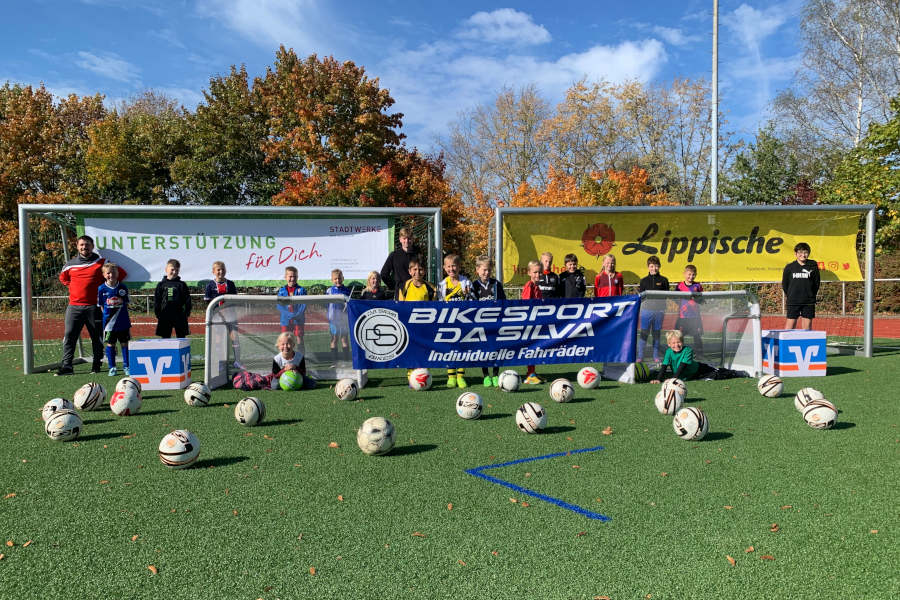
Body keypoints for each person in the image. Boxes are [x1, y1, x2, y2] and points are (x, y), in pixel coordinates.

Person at [57, 235, 126, 376]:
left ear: (92, 246)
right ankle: (67, 366)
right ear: (77, 246)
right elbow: (63, 278)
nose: (84, 247)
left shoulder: (102, 262)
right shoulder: (70, 264)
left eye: (87, 244)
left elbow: (121, 274)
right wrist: (74, 287)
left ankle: (96, 364)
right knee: (69, 335)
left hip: (94, 307)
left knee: (96, 337)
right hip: (74, 306)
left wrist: (107, 288)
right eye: (81, 244)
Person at [649, 329, 748, 383]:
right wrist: (658, 379)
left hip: (699, 370)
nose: (676, 345)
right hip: (687, 377)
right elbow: (664, 366)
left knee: (717, 374)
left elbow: (682, 367)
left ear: (682, 342)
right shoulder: (668, 352)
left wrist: (673, 379)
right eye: (673, 343)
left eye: (679, 342)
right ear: (669, 344)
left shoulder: (688, 350)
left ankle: (736, 373)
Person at [437, 254, 473, 388]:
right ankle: (451, 376)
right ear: (444, 268)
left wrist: (468, 295)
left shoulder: (466, 282)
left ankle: (460, 376)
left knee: (462, 348)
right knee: (449, 349)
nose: (451, 269)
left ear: (459, 267)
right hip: (449, 322)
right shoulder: (442, 284)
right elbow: (440, 304)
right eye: (448, 266)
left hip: (463, 321)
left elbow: (472, 302)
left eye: (454, 266)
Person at [471, 255, 506, 387]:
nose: (487, 273)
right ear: (477, 270)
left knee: (496, 349)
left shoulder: (496, 284)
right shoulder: (473, 285)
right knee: (483, 351)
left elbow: (504, 303)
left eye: (489, 270)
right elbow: (472, 305)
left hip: (496, 323)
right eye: (484, 270)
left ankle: (496, 375)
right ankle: (486, 376)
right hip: (481, 324)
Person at [398, 257, 435, 379]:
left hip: (425, 326)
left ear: (424, 271)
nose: (417, 272)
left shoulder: (430, 287)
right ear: (409, 271)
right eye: (414, 269)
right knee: (411, 350)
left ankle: (424, 373)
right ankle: (411, 374)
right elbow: (400, 306)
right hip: (409, 325)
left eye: (420, 269)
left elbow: (434, 308)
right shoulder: (404, 286)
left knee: (424, 350)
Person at [204, 261, 242, 370]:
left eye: (223, 269)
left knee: (235, 338)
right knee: (218, 340)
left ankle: (237, 361)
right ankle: (221, 362)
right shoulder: (210, 285)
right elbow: (208, 302)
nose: (221, 272)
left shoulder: (230, 284)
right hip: (218, 317)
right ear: (213, 271)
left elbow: (235, 299)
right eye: (218, 270)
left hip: (231, 316)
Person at [97, 262, 131, 377]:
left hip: (123, 322)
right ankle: (112, 367)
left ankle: (127, 366)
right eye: (108, 273)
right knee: (110, 344)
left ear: (117, 274)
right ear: (104, 275)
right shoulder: (101, 289)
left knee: (125, 344)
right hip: (109, 325)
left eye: (113, 272)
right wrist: (108, 317)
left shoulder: (122, 287)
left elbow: (126, 304)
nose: (111, 275)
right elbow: (101, 306)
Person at [637, 256, 669, 364]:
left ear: (659, 266)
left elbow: (667, 295)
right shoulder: (643, 281)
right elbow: (641, 297)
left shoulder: (664, 280)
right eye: (651, 266)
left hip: (659, 311)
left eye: (656, 266)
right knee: (644, 333)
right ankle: (641, 356)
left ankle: (656, 356)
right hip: (646, 311)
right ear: (648, 267)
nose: (654, 269)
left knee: (656, 334)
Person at [782, 242, 820, 330]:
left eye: (805, 252)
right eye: (800, 252)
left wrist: (811, 295)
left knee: (807, 328)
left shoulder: (813, 265)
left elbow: (816, 283)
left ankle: (806, 343)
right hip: (793, 301)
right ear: (795, 254)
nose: (803, 255)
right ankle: (788, 343)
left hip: (808, 301)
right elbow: (785, 284)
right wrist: (791, 295)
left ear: (808, 254)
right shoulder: (789, 267)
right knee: (789, 327)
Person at [154, 259, 191, 339]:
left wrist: (186, 313)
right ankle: (166, 352)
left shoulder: (182, 285)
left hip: (179, 316)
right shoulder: (161, 285)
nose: (174, 272)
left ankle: (182, 352)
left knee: (181, 338)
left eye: (177, 270)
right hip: (165, 316)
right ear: (166, 269)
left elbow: (187, 300)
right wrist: (158, 313)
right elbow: (157, 300)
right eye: (172, 269)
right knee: (165, 338)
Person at [380, 227, 419, 299]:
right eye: (404, 238)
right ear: (400, 239)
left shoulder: (418, 255)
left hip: (416, 291)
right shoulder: (394, 255)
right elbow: (384, 274)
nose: (407, 241)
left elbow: (422, 273)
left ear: (413, 239)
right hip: (400, 293)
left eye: (409, 238)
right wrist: (395, 286)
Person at [522, 260, 543, 384]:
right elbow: (526, 305)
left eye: (540, 272)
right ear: (529, 272)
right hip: (529, 323)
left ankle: (532, 372)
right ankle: (530, 375)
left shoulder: (536, 286)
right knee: (531, 348)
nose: (538, 275)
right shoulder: (529, 286)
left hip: (536, 322)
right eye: (535, 272)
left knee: (535, 348)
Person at [674, 264, 703, 355]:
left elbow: (701, 300)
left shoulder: (698, 286)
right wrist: (683, 305)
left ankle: (699, 354)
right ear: (684, 274)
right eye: (689, 274)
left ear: (696, 275)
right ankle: (678, 352)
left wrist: (696, 300)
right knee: (679, 335)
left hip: (695, 316)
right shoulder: (679, 286)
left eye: (693, 274)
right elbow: (675, 298)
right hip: (683, 316)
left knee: (697, 335)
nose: (691, 276)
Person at [276, 266, 306, 349]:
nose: (292, 279)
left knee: (299, 337)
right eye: (290, 276)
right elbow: (279, 306)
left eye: (294, 277)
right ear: (285, 277)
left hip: (298, 319)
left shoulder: (302, 290)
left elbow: (304, 304)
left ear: (297, 277)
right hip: (286, 319)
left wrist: (297, 314)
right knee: (285, 339)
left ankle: (301, 358)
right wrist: (288, 314)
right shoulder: (282, 291)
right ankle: (286, 358)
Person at [327, 268, 351, 362]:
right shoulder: (329, 291)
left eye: (339, 278)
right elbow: (327, 305)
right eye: (335, 279)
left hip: (344, 319)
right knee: (334, 339)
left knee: (344, 339)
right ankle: (334, 361)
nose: (338, 280)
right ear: (332, 280)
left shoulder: (347, 291)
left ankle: (346, 360)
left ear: (343, 278)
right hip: (333, 320)